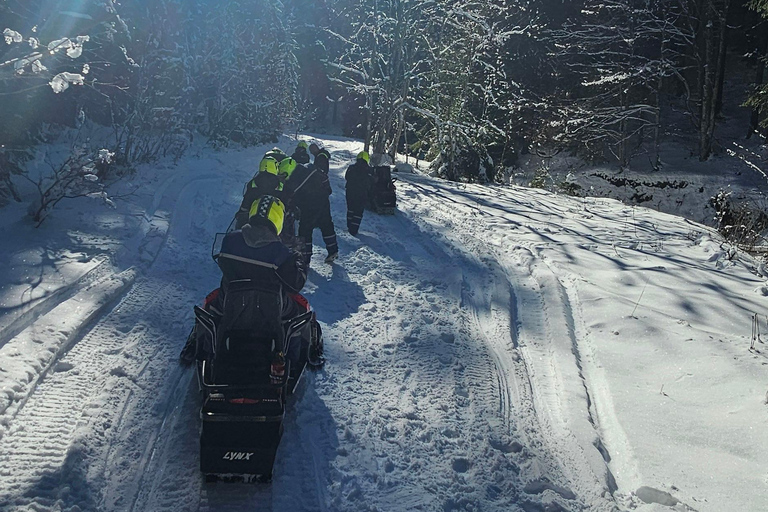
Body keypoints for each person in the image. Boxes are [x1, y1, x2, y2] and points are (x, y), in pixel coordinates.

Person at [180, 195, 323, 366]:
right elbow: (295, 285)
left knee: (210, 304)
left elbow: (224, 265)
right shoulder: (282, 253)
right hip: (273, 310)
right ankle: (293, 358)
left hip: (231, 304)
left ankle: (202, 341)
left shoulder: (230, 241)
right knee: (299, 310)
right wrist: (299, 260)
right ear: (279, 220)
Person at [282, 152, 338, 265]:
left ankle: (305, 257)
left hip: (309, 205)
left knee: (305, 230)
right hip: (323, 202)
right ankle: (333, 250)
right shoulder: (314, 170)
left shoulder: (297, 173)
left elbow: (290, 192)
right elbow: (329, 190)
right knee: (326, 225)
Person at [235, 156, 282, 229]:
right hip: (275, 220)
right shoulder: (280, 185)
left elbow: (246, 203)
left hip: (252, 218)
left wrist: (241, 214)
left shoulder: (253, 183)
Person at [344, 151, 374, 236]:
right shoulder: (369, 170)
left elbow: (347, 177)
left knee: (350, 209)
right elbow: (371, 182)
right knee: (358, 212)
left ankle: (349, 226)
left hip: (350, 191)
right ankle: (354, 229)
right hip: (361, 193)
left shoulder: (351, 167)